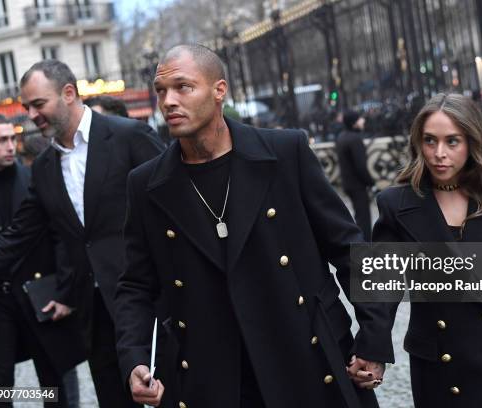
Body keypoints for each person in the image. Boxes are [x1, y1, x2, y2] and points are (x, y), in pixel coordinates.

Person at [114, 44, 396, 408]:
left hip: (307, 359)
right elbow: (135, 284)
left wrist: (373, 339)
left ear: (219, 90)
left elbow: (349, 249)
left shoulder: (284, 152)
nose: (168, 101)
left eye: (183, 87)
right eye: (161, 91)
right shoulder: (146, 184)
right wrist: (135, 358)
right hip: (211, 377)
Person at [0, 60, 164, 407]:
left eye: (38, 104)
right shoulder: (43, 168)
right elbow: (19, 235)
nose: (32, 115)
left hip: (151, 301)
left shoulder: (129, 137)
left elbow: (175, 204)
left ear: (69, 93)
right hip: (94, 313)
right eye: (27, 107)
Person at [373, 93, 482, 407]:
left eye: (452, 141)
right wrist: (373, 350)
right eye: (430, 141)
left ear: (471, 142)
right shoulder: (397, 205)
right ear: (418, 142)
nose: (439, 153)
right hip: (444, 366)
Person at [0, 114, 85, 408]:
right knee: (0, 383)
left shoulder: (33, 178)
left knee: (53, 381)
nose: (10, 146)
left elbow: (62, 236)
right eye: (1, 140)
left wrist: (64, 291)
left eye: (12, 139)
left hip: (38, 293)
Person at [336, 110, 375, 241]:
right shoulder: (355, 139)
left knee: (359, 217)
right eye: (360, 119)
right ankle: (365, 249)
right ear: (354, 123)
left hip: (348, 184)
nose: (363, 121)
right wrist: (371, 182)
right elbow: (360, 167)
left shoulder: (342, 137)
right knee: (364, 220)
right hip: (358, 185)